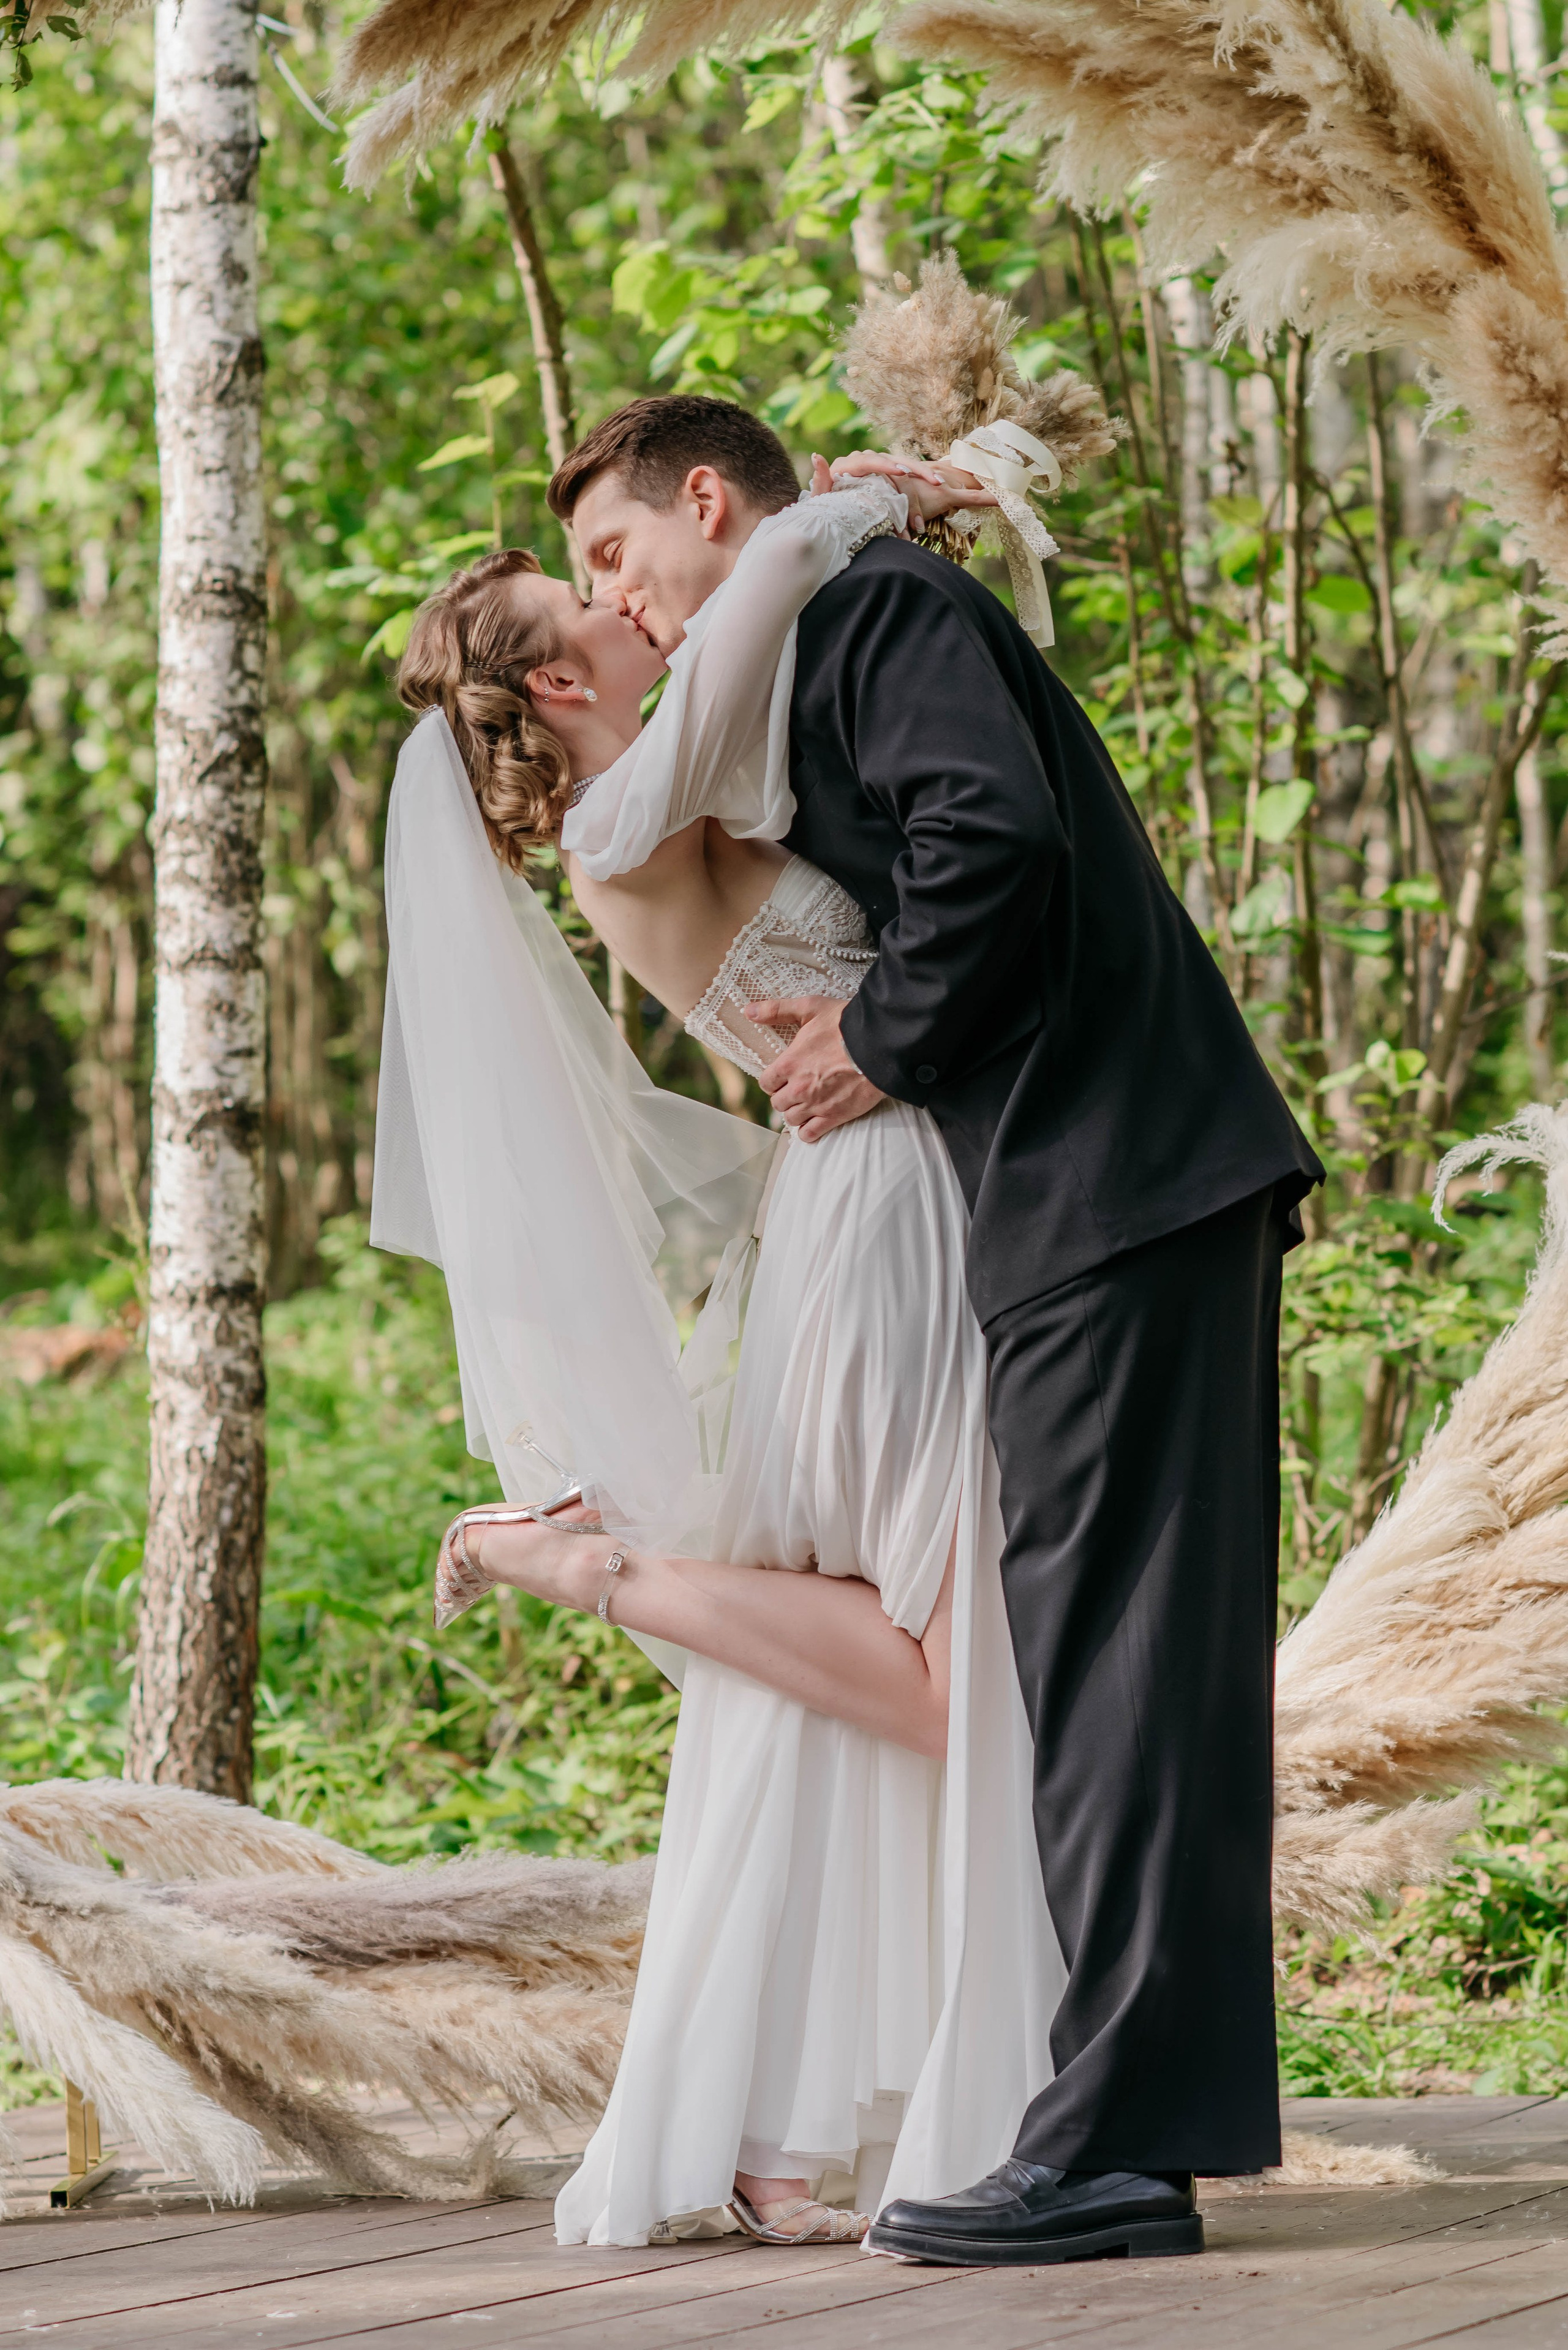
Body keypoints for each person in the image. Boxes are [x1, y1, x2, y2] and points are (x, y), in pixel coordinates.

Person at [546, 394, 1324, 2266]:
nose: (618, 596)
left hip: (1111, 1175)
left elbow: (994, 838)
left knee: (1118, 1672)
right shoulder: (825, 620)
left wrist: (874, 1043)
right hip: (1101, 1183)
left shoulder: (875, 612)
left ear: (706, 501)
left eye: (611, 553)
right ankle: (1132, 2134)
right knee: (1113, 1668)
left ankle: (1114, 2159)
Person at [374, 458, 1070, 2253]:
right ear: (553, 686)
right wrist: (850, 503)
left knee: (861, 1667)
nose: (627, 603)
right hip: (889, 1218)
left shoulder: (674, 782)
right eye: (588, 598)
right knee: (939, 1670)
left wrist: (872, 526)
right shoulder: (629, 820)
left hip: (860, 1218)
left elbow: (768, 670)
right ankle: (594, 1567)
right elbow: (753, 603)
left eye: (618, 569)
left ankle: (781, 2131)